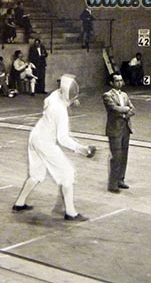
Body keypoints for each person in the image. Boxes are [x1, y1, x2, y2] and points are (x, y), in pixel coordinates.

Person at [12, 74, 96, 221]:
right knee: (68, 173)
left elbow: (60, 92)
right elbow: (62, 139)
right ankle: (70, 212)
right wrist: (82, 149)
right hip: (45, 143)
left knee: (36, 175)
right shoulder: (60, 111)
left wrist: (71, 100)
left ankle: (19, 203)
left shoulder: (53, 97)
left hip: (34, 137)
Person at [102, 73, 135, 193]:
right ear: (111, 83)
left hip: (125, 128)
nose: (120, 83)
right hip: (115, 129)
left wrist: (127, 112)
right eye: (117, 81)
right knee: (116, 157)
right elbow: (114, 109)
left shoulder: (125, 95)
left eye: (121, 80)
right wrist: (126, 110)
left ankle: (121, 179)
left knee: (124, 155)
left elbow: (133, 109)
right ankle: (113, 184)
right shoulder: (107, 95)